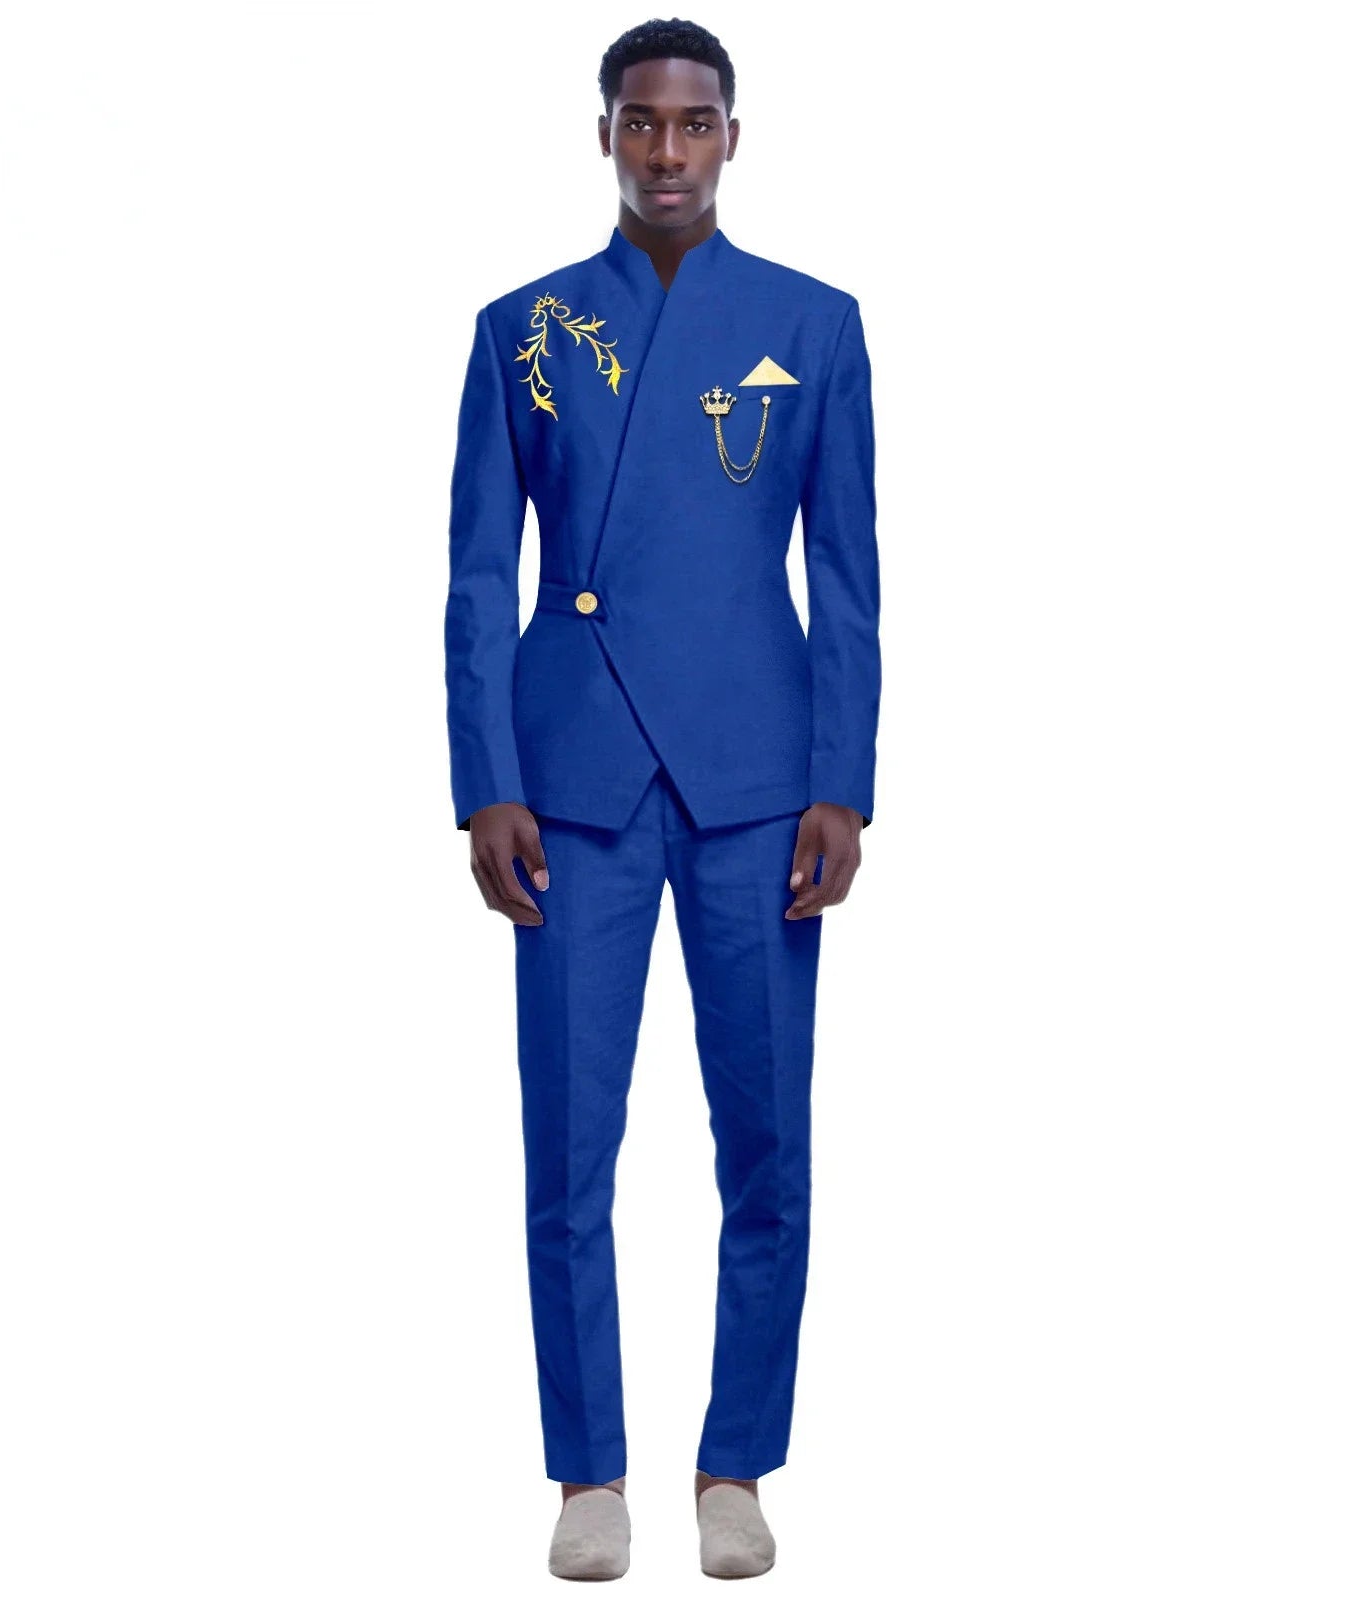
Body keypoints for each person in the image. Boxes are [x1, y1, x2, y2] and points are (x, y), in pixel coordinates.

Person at [443, 16, 881, 1581]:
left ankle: (735, 1465)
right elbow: (476, 574)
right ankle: (588, 1475)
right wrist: (486, 784)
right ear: (606, 137)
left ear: (733, 138)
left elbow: (847, 575)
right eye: (642, 122)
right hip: (572, 786)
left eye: (696, 123)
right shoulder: (525, 328)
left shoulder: (814, 324)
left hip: (759, 782)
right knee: (568, 1147)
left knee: (767, 1143)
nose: (669, 149)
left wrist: (845, 783)